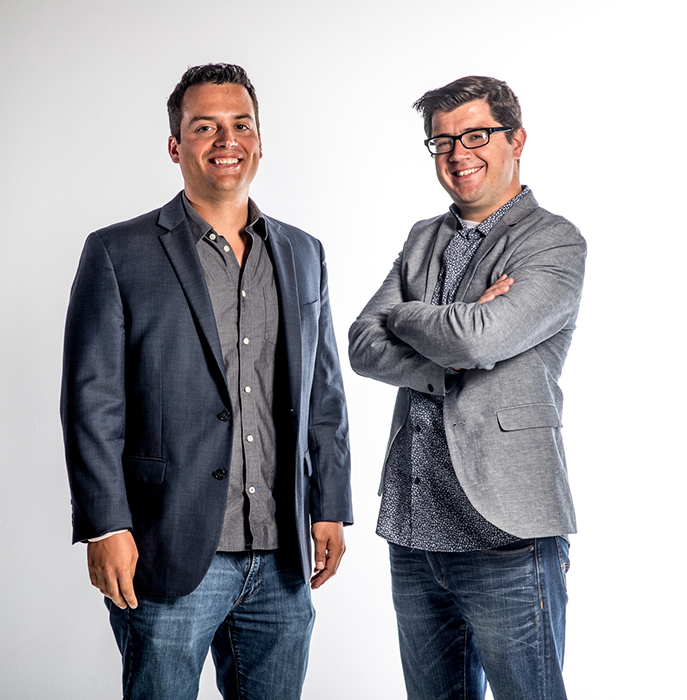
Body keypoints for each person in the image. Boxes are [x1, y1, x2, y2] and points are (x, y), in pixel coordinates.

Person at [60, 63, 352, 700]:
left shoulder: (304, 253)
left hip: (283, 555)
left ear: (260, 141)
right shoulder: (118, 252)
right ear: (175, 146)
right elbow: (91, 402)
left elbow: (324, 393)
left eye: (241, 125)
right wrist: (105, 527)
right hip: (165, 548)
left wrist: (330, 504)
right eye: (205, 127)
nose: (227, 141)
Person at [348, 76, 586, 700]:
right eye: (443, 141)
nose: (458, 154)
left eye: (476, 135)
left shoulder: (553, 240)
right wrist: (446, 340)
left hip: (506, 535)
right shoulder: (422, 237)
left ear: (517, 140)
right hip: (414, 528)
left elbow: (479, 340)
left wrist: (405, 315)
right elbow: (362, 344)